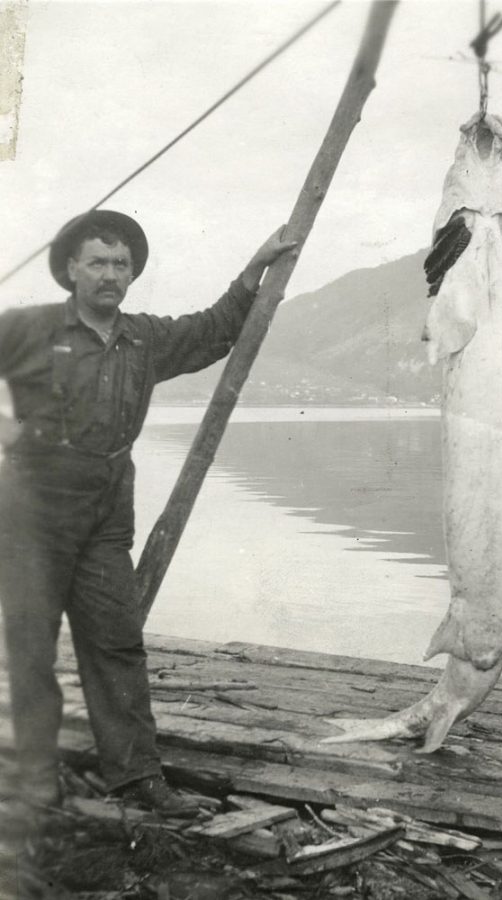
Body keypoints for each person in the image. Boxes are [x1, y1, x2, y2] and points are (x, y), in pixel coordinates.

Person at [0, 209, 296, 814]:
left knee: (117, 641)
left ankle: (137, 780)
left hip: (108, 516)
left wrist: (254, 270)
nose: (111, 274)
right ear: (70, 270)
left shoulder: (144, 339)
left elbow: (214, 330)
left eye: (121, 264)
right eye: (98, 262)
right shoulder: (27, 328)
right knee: (31, 648)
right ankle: (33, 778)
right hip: (32, 513)